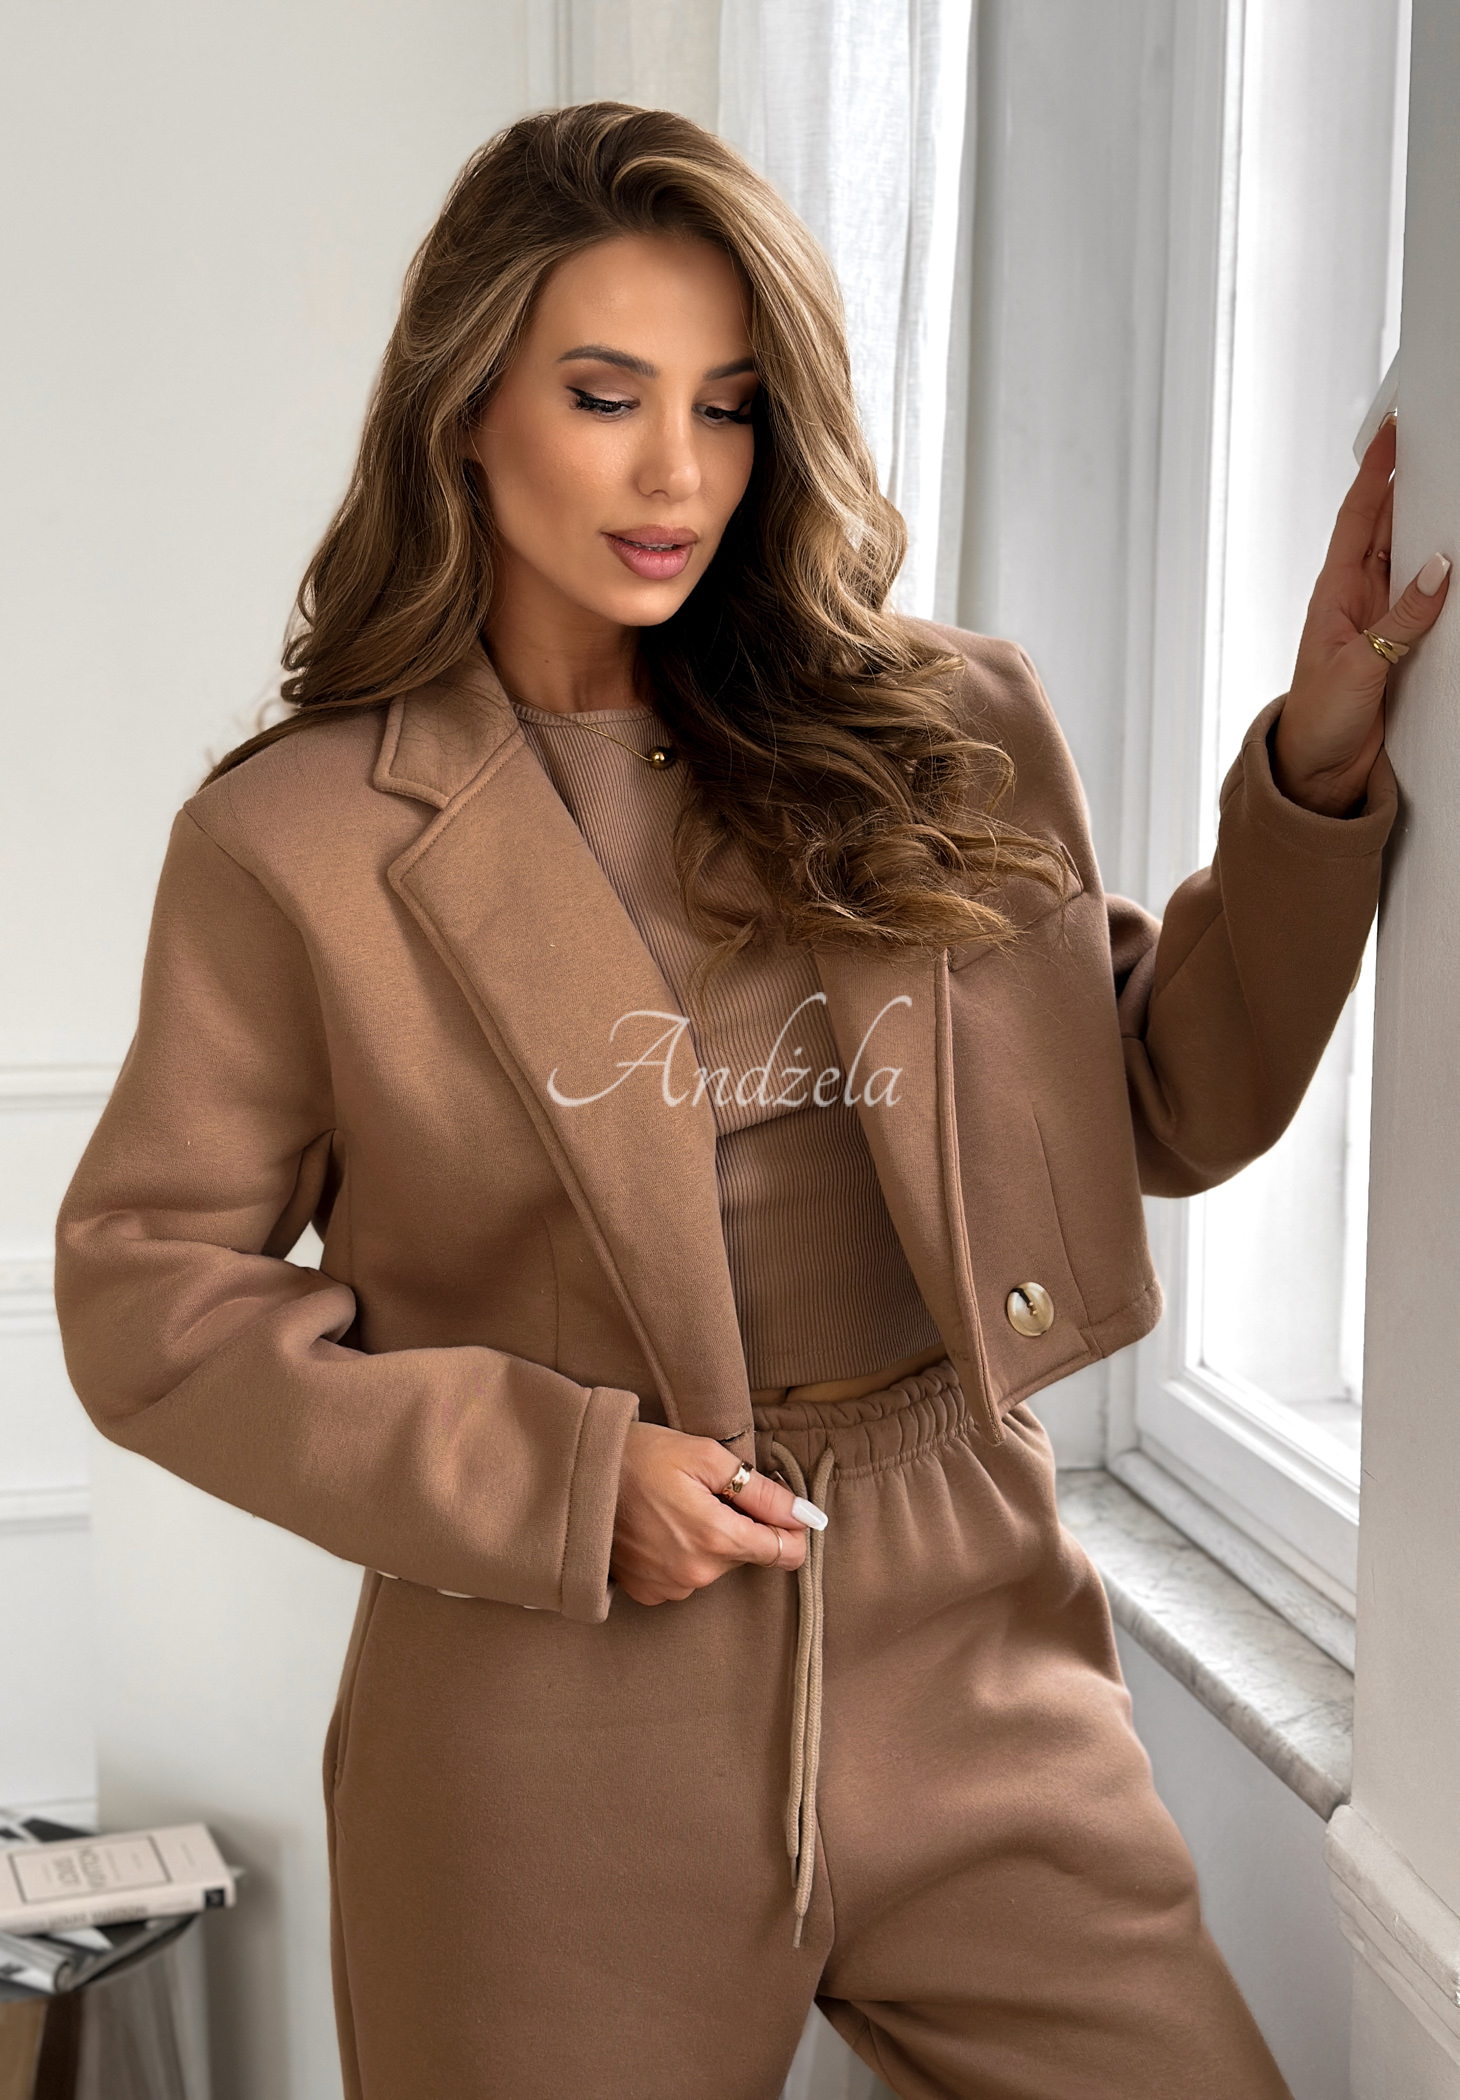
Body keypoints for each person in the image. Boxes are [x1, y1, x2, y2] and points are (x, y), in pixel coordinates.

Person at [54, 101, 1447, 2100]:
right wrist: (559, 1481)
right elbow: (148, 1295)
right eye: (604, 395)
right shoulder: (295, 844)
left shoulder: (938, 728)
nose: (676, 473)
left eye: (726, 406)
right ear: (465, 407)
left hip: (974, 1632)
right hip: (549, 1714)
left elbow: (1163, 1096)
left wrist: (1314, 766)